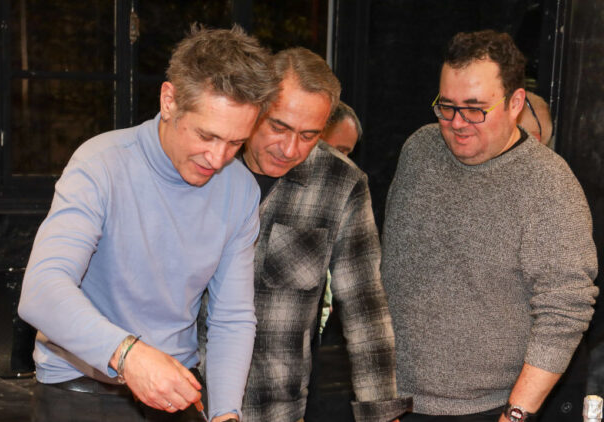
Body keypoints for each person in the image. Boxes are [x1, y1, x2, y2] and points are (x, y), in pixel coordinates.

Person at [17, 25, 276, 422]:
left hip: (176, 388)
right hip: (82, 388)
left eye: (235, 143)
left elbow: (232, 316)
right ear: (169, 101)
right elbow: (41, 290)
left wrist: (226, 413)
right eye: (206, 136)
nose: (218, 158)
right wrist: (128, 354)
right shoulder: (101, 164)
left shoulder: (239, 189)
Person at [381, 30, 598, 422]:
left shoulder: (549, 184)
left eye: (475, 109)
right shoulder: (418, 151)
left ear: (515, 103)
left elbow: (565, 312)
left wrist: (515, 414)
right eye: (447, 106)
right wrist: (377, 394)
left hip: (490, 408)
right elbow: (389, 275)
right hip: (395, 401)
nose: (457, 122)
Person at [238, 47, 410, 422]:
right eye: (279, 127)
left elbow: (365, 305)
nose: (290, 149)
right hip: (180, 398)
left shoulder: (340, 183)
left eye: (308, 135)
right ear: (255, 105)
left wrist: (380, 412)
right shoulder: (208, 160)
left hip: (274, 407)